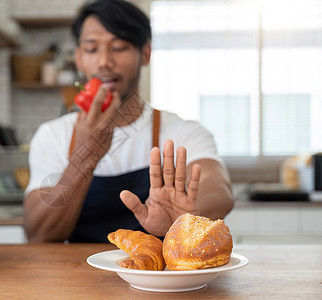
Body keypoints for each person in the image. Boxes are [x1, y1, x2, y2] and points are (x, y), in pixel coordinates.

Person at [23, 0, 233, 243]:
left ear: (145, 53)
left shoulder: (183, 131)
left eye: (119, 47)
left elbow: (219, 190)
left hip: (155, 279)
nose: (104, 62)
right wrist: (86, 156)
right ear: (79, 58)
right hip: (76, 278)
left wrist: (185, 217)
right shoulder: (53, 135)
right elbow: (38, 234)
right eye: (91, 50)